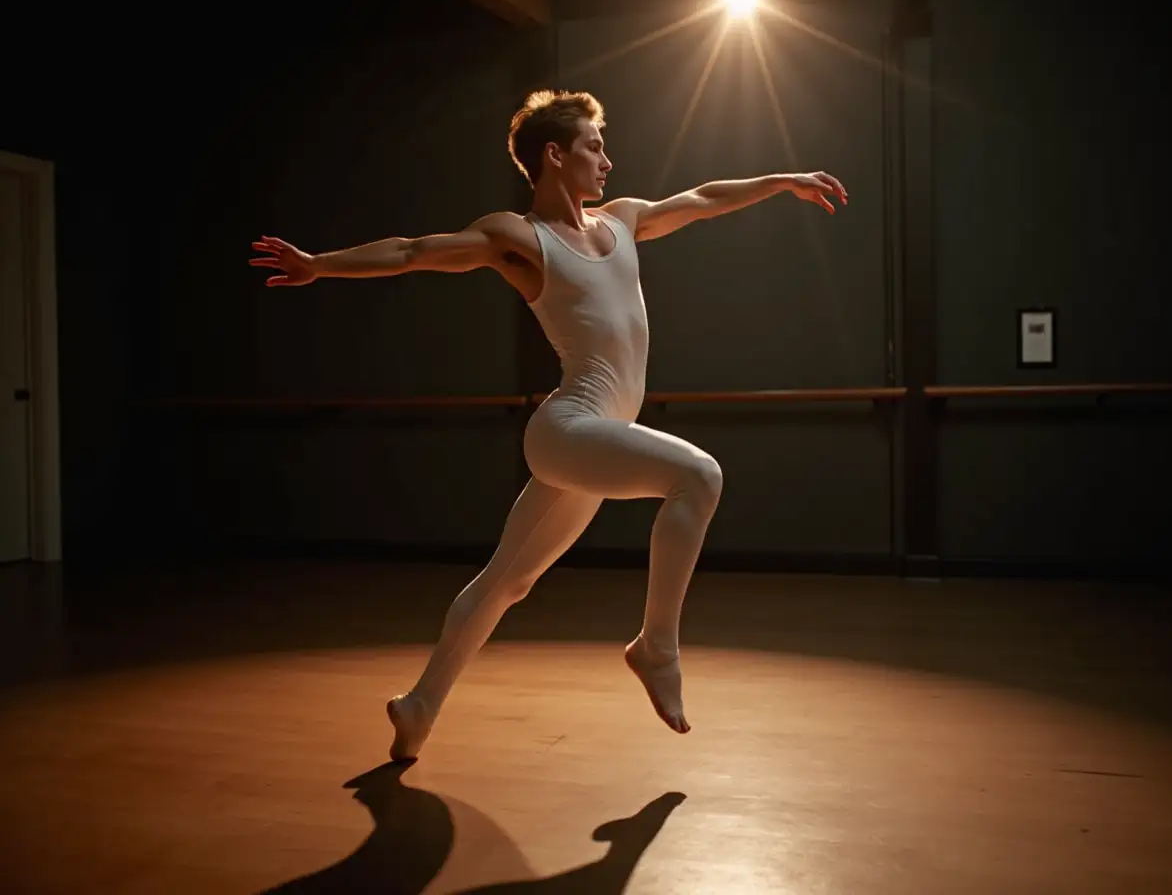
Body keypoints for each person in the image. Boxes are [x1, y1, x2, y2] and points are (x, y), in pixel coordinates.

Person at [249, 89, 847, 761]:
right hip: (568, 429)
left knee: (510, 580)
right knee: (698, 476)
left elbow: (704, 198)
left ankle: (418, 707)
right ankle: (656, 647)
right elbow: (414, 250)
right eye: (595, 145)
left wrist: (782, 181)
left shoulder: (622, 222)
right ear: (555, 155)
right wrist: (319, 265)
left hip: (594, 442)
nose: (608, 160)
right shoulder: (519, 238)